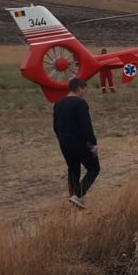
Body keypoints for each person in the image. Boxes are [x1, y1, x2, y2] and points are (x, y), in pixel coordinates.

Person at [53, 78, 100, 208]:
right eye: (84, 89)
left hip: (64, 142)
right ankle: (78, 195)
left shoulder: (58, 103)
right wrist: (93, 143)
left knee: (73, 169)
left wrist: (61, 139)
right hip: (79, 142)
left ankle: (74, 198)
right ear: (79, 88)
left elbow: (56, 126)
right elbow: (86, 126)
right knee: (94, 168)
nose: (84, 92)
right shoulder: (80, 103)